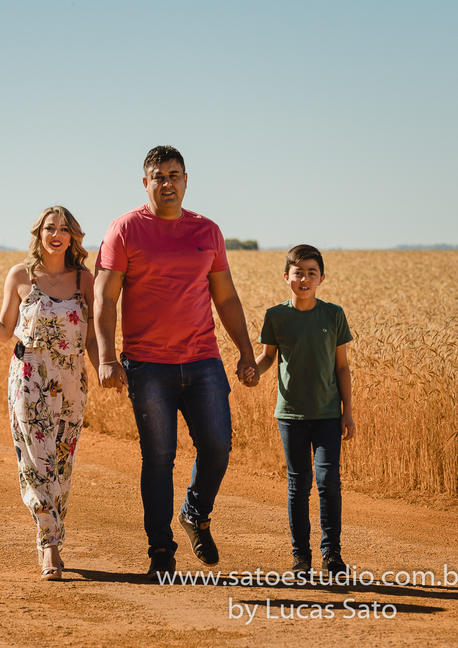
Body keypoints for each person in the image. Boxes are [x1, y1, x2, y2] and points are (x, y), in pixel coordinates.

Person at [94, 145, 257, 579]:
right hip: (148, 366)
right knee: (158, 457)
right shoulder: (125, 229)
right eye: (158, 176)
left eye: (175, 175)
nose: (167, 183)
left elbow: (225, 296)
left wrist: (244, 351)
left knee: (218, 445)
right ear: (145, 182)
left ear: (186, 180)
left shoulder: (208, 230)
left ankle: (195, 513)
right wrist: (108, 356)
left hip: (204, 361)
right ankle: (161, 552)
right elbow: (105, 297)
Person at [0, 206, 98, 581]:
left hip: (72, 378)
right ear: (39, 233)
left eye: (64, 229)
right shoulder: (20, 276)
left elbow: (93, 337)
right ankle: (49, 546)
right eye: (50, 228)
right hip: (28, 374)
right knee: (35, 461)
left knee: (61, 464)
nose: (56, 234)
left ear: (73, 237)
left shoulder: (84, 280)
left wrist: (107, 366)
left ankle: (53, 534)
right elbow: (3, 329)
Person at [252, 244, 354, 576]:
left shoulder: (333, 315)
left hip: (328, 415)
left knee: (328, 481)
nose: (305, 279)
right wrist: (253, 370)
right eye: (298, 273)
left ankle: (332, 554)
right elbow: (268, 356)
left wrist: (348, 411)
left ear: (321, 278)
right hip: (291, 416)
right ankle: (301, 557)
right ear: (287, 277)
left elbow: (342, 367)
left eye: (312, 273)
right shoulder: (276, 316)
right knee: (298, 484)